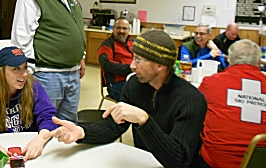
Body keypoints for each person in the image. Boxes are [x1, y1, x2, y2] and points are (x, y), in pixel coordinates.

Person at [45, 30, 208, 168]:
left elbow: (179, 160)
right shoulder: (135, 85)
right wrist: (82, 132)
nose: (131, 65)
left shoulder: (192, 100)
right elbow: (113, 127)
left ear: (160, 65)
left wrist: (144, 120)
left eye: (138, 60)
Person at [11, 0, 86, 123]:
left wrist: (80, 56)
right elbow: (21, 39)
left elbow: (74, 26)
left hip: (73, 73)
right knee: (45, 124)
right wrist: (27, 73)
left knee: (68, 126)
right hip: (47, 75)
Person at [199, 39, 266, 168]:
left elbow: (194, 111)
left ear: (229, 59)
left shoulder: (212, 82)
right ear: (259, 62)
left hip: (217, 161)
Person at [97, 17, 133, 101]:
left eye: (124, 28)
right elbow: (107, 65)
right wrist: (131, 68)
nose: (121, 31)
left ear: (129, 30)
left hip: (134, 79)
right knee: (135, 99)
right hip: (116, 83)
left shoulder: (133, 43)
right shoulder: (107, 45)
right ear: (113, 29)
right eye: (118, 28)